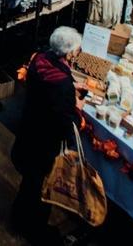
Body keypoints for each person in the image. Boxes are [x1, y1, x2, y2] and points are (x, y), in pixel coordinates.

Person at [10, 26, 83, 245]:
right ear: (69, 53)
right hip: (43, 144)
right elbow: (64, 120)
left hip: (28, 132)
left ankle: (18, 217)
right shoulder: (60, 84)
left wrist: (70, 87)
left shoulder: (39, 60)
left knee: (29, 184)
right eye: (77, 50)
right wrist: (77, 108)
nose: (77, 54)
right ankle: (36, 231)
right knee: (40, 189)